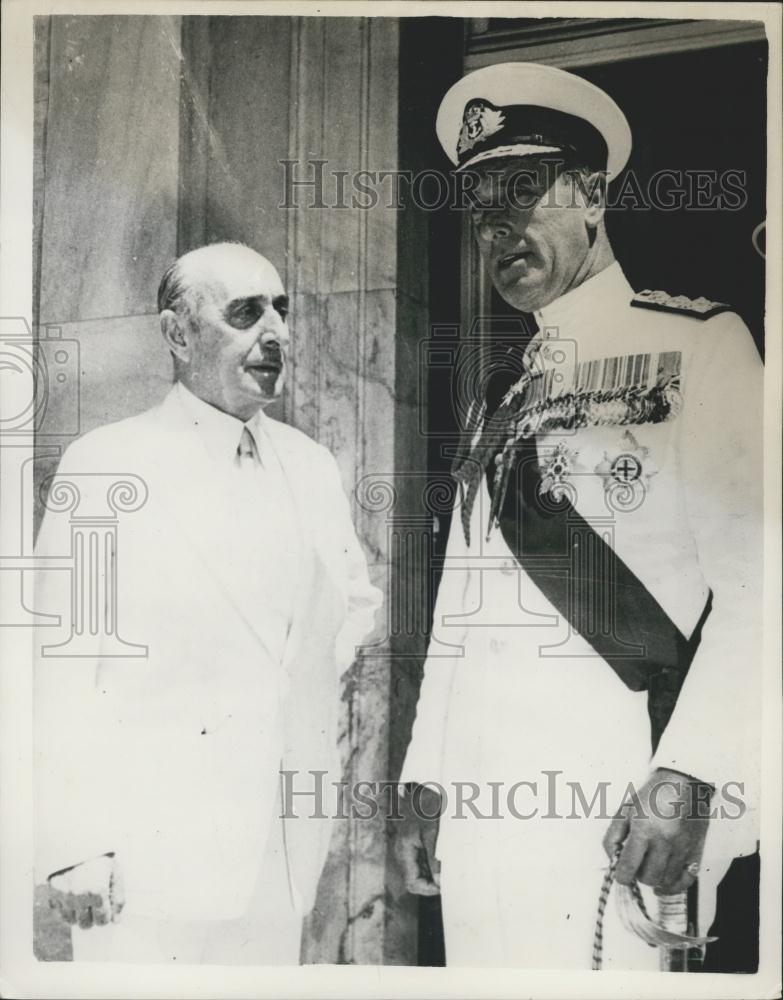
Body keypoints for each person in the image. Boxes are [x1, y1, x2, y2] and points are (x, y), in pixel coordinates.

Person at [397, 63, 762, 969]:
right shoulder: (496, 394)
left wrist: (690, 774)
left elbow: (764, 587)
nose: (497, 225)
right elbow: (462, 607)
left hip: (619, 797)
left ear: (592, 194)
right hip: (484, 813)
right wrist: (426, 779)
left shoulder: (697, 345)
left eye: (522, 190)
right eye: (480, 205)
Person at [33, 242, 381, 963]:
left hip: (280, 855)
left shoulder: (309, 466)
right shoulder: (106, 465)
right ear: (177, 334)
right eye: (245, 313)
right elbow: (54, 669)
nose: (275, 333)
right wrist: (72, 844)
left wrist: (302, 676)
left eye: (282, 311)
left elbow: (352, 600)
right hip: (145, 862)